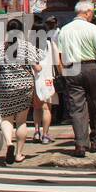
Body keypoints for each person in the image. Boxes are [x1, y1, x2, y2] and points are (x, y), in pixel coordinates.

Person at [0, 18, 43, 164]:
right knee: (21, 121)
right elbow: (37, 68)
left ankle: (9, 143)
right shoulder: (27, 47)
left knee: (6, 119)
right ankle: (19, 154)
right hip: (24, 86)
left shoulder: (1, 48)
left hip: (5, 86)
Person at [56, 1, 96, 157]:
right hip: (91, 67)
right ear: (87, 12)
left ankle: (80, 144)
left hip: (71, 68)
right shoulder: (93, 29)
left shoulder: (64, 30)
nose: (92, 15)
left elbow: (59, 56)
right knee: (95, 104)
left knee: (76, 108)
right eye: (91, 12)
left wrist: (63, 72)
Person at [30, 15, 60, 143]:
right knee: (47, 108)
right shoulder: (49, 44)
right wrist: (61, 74)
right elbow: (57, 62)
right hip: (47, 79)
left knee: (36, 107)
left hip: (33, 80)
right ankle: (45, 134)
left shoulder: (29, 46)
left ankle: (36, 131)